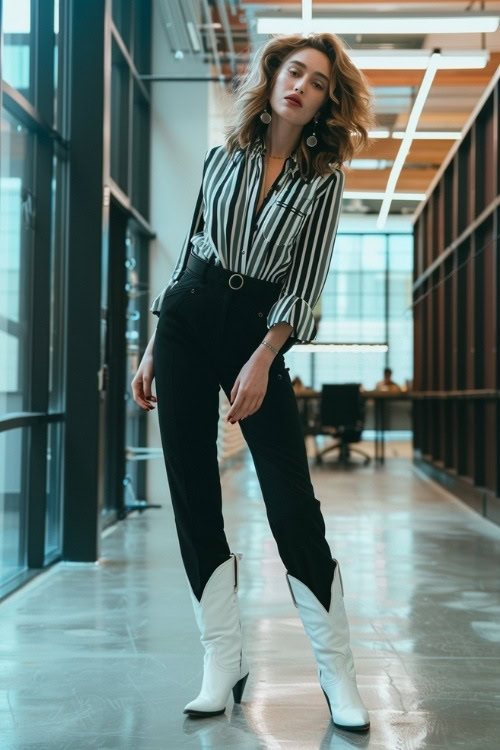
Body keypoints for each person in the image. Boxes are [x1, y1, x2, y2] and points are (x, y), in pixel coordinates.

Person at [131, 32, 375, 731]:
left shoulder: (323, 180)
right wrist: (151, 347)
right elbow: (186, 258)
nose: (301, 85)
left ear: (328, 101)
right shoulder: (221, 156)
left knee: (291, 503)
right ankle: (221, 659)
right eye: (293, 71)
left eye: (318, 81)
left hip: (256, 332)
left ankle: (338, 673)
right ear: (271, 78)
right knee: (192, 493)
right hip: (185, 321)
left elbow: (306, 282)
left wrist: (265, 355)